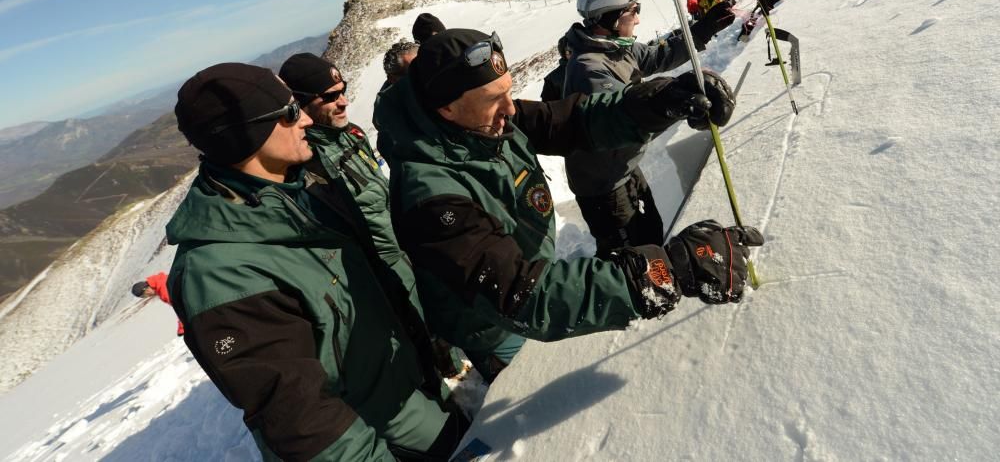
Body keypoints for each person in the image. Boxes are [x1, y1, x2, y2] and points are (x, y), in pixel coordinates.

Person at [374, 28, 761, 382]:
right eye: (494, 100)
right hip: (496, 326)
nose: (510, 110)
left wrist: (659, 101)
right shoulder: (429, 197)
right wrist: (663, 271)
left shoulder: (481, 122)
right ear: (446, 108)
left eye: (509, 92)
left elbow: (571, 120)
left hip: (532, 278)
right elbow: (522, 295)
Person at [166, 62, 467, 461]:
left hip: (407, 388)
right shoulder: (218, 274)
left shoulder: (305, 188)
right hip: (371, 431)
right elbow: (305, 424)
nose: (306, 119)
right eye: (290, 112)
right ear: (247, 135)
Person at [279, 52, 467, 380]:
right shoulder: (305, 164)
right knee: (411, 335)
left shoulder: (351, 133)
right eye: (330, 96)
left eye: (343, 90)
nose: (344, 102)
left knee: (436, 313)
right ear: (302, 103)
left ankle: (451, 367)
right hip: (376, 270)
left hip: (404, 245)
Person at [561, 0, 736, 259]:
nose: (639, 19)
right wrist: (676, 103)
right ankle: (624, 299)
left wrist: (702, 30)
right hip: (603, 184)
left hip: (624, 168)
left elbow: (657, 56)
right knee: (631, 257)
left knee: (650, 232)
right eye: (633, 11)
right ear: (612, 16)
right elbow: (622, 122)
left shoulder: (616, 48)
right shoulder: (589, 69)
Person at [539, 36, 570, 102]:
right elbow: (548, 108)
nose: (575, 54)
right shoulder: (553, 79)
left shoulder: (593, 66)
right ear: (564, 54)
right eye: (569, 52)